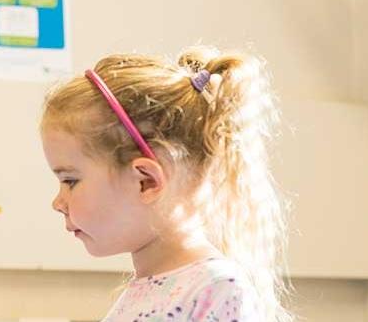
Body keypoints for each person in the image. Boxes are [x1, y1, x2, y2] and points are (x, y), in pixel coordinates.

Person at [40, 47, 291, 321]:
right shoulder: (144, 289)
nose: (57, 202)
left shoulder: (216, 289)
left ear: (145, 182)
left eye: (70, 181)